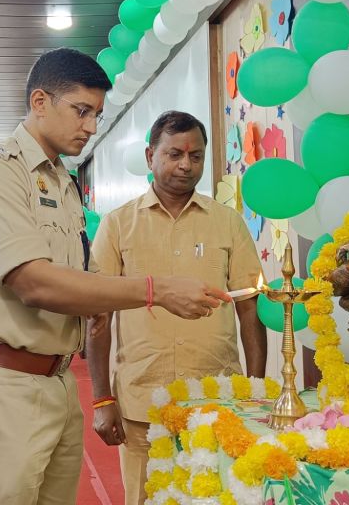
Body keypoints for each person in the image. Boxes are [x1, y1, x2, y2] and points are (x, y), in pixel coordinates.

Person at [0, 48, 231, 505]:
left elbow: (87, 279)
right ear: (40, 102)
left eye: (97, 114)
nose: (92, 127)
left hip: (57, 379)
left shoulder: (62, 182)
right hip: (4, 380)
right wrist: (156, 290)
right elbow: (34, 282)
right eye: (82, 111)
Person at [87, 111, 266, 505]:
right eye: (174, 154)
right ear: (150, 155)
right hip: (142, 402)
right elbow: (98, 315)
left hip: (218, 397)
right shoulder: (118, 225)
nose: (186, 165)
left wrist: (255, 391)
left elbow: (249, 308)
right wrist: (102, 399)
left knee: (216, 496)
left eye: (196, 156)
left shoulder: (227, 222)